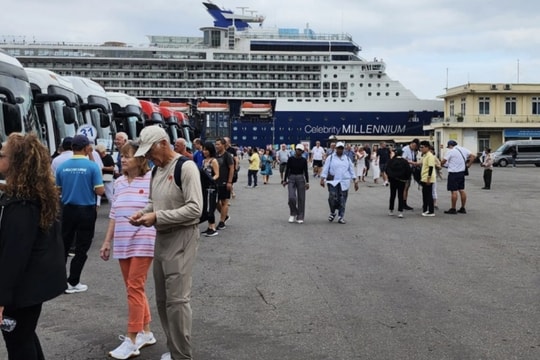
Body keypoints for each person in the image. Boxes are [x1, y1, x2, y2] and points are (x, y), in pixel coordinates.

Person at [129, 126, 202, 360]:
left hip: (182, 236)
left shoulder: (185, 167)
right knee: (162, 299)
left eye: (150, 151)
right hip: (161, 237)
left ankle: (182, 355)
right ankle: (174, 350)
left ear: (163, 143)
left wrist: (157, 216)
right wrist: (143, 214)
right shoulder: (156, 171)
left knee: (177, 301)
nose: (148, 157)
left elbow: (195, 209)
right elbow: (154, 202)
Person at [0, 133, 66, 360]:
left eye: (2, 156)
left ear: (16, 163)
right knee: (24, 335)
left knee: (17, 342)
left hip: (21, 290)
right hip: (34, 286)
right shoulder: (37, 195)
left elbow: (13, 257)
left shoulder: (21, 205)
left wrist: (1, 299)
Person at [99, 141, 157, 359]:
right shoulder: (119, 182)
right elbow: (114, 213)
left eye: (128, 156)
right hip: (122, 241)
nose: (122, 159)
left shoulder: (152, 179)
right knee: (134, 287)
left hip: (144, 239)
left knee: (134, 286)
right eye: (121, 156)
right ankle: (146, 332)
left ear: (140, 159)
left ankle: (132, 339)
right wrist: (106, 241)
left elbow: (157, 209)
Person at [56, 135, 105, 293]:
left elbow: (58, 190)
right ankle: (73, 281)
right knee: (82, 248)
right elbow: (100, 190)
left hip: (68, 208)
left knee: (63, 245)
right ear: (86, 148)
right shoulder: (92, 167)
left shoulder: (62, 166)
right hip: (86, 209)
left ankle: (59, 281)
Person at [320, 142, 359, 224]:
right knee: (332, 197)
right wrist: (322, 179)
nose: (340, 150)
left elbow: (351, 170)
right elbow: (326, 168)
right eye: (339, 148)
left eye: (341, 148)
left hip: (344, 181)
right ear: (336, 149)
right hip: (333, 181)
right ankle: (333, 212)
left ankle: (341, 216)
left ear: (343, 149)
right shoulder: (330, 158)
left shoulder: (347, 159)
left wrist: (355, 180)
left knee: (342, 199)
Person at [441, 140, 475, 214]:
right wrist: (469, 165)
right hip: (461, 173)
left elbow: (443, 161)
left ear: (450, 145)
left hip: (453, 173)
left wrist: (439, 165)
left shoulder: (451, 151)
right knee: (461, 190)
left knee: (454, 191)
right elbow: (473, 156)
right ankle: (463, 208)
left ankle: (453, 208)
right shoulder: (464, 149)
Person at [282, 144, 310, 224]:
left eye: (300, 150)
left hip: (301, 178)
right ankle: (293, 213)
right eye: (297, 149)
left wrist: (307, 182)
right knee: (291, 197)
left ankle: (300, 216)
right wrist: (284, 180)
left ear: (302, 152)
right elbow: (287, 169)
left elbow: (306, 171)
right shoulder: (291, 159)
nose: (298, 151)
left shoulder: (304, 160)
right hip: (291, 178)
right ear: (295, 150)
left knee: (301, 198)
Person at [200, 142, 220, 237]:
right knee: (205, 206)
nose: (204, 151)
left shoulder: (213, 161)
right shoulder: (204, 161)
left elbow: (217, 174)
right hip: (204, 186)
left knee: (210, 207)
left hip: (211, 187)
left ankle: (213, 228)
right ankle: (209, 226)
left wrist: (211, 180)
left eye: (206, 150)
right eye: (203, 149)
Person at [385, 147, 411, 218]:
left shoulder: (391, 161)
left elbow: (386, 170)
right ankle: (400, 211)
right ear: (402, 153)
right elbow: (408, 171)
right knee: (400, 195)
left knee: (392, 195)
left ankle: (391, 210)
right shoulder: (404, 162)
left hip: (393, 180)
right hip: (401, 181)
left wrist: (390, 178)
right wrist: (406, 178)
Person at [214, 138, 234, 230]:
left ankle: (222, 222)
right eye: (216, 144)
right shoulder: (216, 155)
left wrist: (229, 182)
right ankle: (225, 215)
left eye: (218, 144)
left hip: (224, 181)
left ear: (223, 145)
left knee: (224, 201)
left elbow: (231, 168)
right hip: (215, 181)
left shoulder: (227, 155)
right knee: (215, 202)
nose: (216, 146)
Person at [418, 141, 436, 216]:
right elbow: (419, 163)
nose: (421, 149)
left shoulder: (430, 156)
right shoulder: (425, 155)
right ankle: (425, 209)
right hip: (424, 177)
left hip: (428, 178)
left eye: (422, 147)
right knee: (425, 194)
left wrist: (428, 178)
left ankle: (431, 211)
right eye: (420, 147)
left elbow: (431, 167)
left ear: (427, 147)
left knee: (428, 195)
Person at [401, 138, 419, 210]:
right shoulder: (406, 149)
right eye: (414, 146)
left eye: (415, 147)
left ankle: (404, 202)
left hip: (410, 169)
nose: (414, 147)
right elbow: (403, 158)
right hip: (405, 170)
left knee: (407, 187)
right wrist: (412, 162)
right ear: (411, 143)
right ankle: (403, 203)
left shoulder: (413, 151)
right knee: (405, 186)